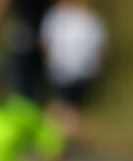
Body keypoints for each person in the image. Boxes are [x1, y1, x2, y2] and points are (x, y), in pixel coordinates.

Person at [39, 0, 108, 143]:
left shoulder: (90, 18)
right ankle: (53, 137)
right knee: (60, 103)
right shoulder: (56, 16)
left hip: (82, 70)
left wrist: (95, 65)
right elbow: (45, 41)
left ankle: (62, 138)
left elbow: (99, 44)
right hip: (60, 68)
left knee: (72, 106)